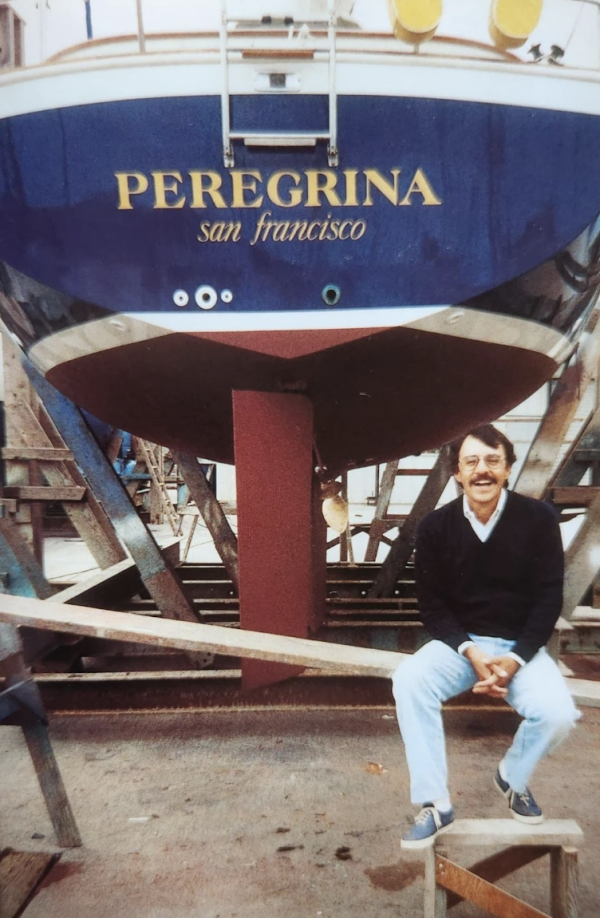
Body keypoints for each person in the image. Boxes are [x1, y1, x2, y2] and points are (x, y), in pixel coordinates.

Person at [391, 424, 580, 849]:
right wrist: (470, 650)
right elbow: (432, 607)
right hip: (463, 646)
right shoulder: (435, 527)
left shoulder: (539, 520)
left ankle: (512, 776)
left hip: (518, 648)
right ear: (457, 473)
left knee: (558, 714)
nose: (482, 470)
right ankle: (435, 803)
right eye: (471, 461)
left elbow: (549, 598)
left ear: (508, 469)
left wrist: (515, 659)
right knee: (409, 680)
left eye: (493, 460)